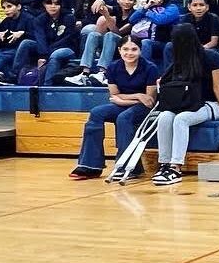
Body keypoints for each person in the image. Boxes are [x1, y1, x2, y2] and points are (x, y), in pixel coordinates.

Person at [151, 23, 219, 186]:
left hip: (210, 104)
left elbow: (218, 87)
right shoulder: (179, 60)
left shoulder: (212, 57)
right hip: (188, 103)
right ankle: (164, 164)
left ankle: (175, 167)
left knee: (181, 119)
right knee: (164, 117)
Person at [68, 36, 160, 180]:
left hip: (144, 109)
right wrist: (136, 96)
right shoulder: (113, 67)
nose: (129, 53)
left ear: (140, 51)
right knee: (96, 113)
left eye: (134, 49)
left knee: (124, 117)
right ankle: (90, 165)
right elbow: (114, 95)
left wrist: (123, 99)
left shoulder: (150, 68)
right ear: (119, 50)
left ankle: (127, 166)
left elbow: (149, 100)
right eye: (125, 49)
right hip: (127, 104)